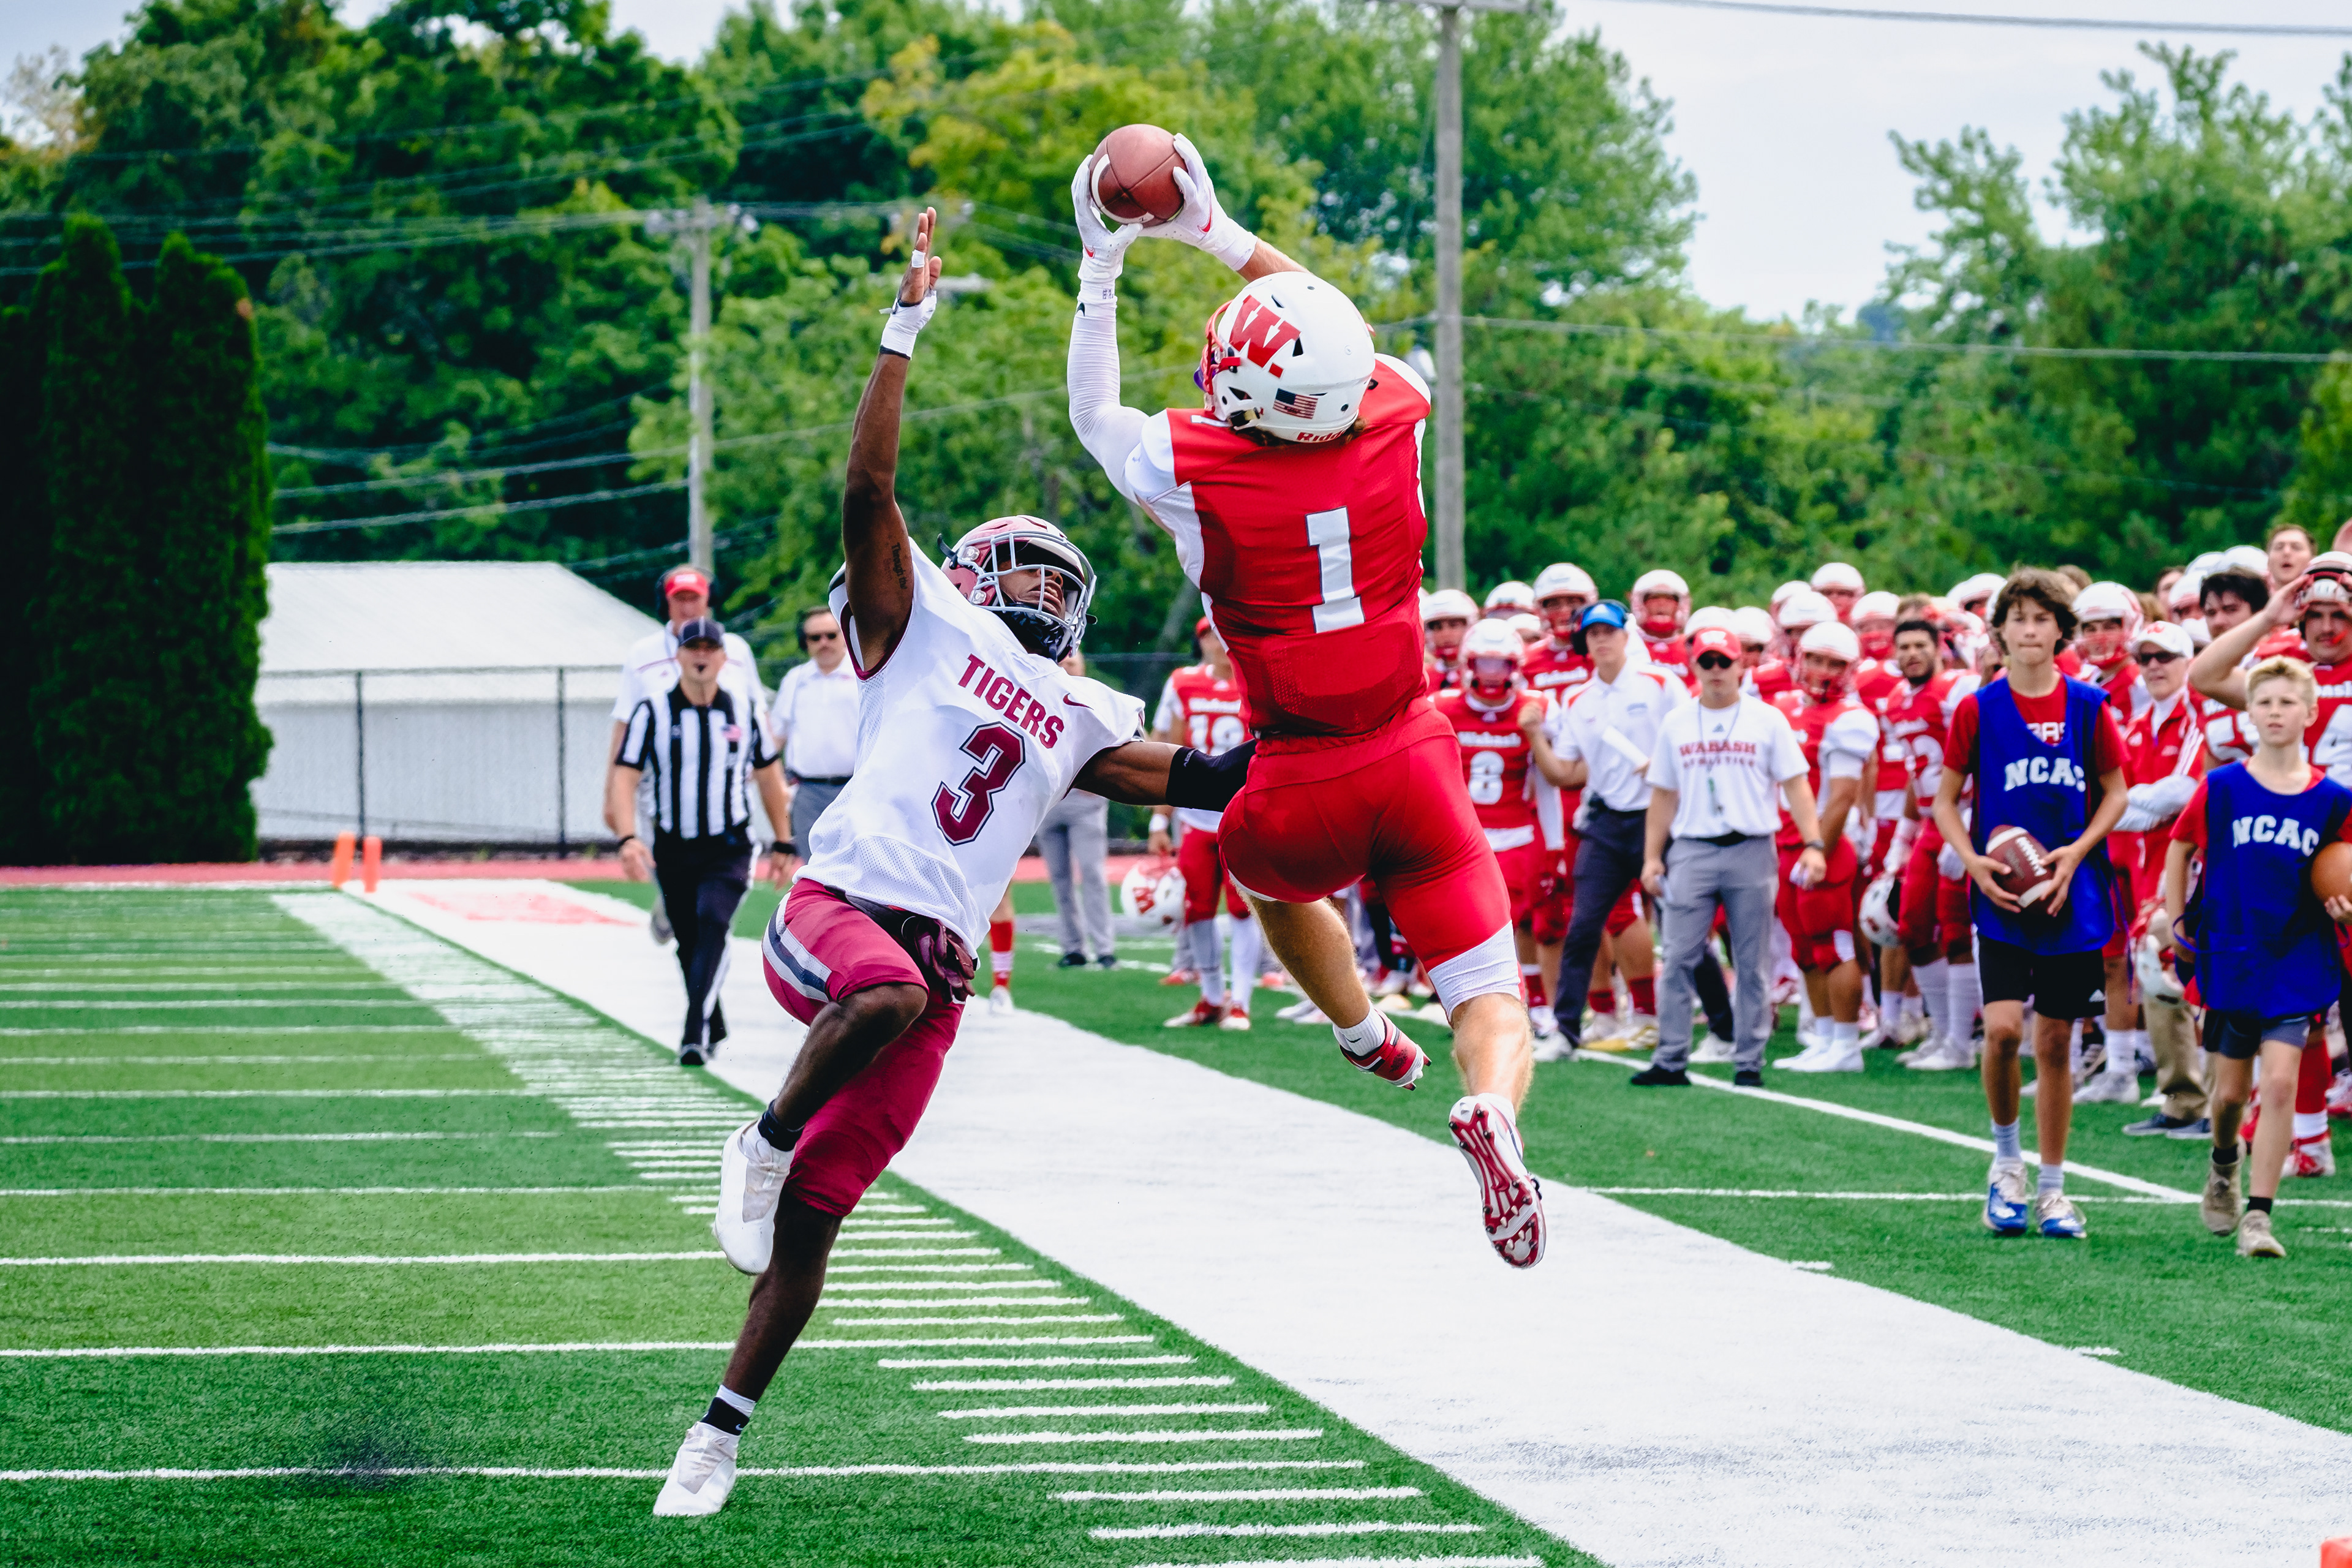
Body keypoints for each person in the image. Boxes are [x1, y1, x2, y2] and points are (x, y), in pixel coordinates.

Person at [657, 208, 1251, 1518]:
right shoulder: (920, 625)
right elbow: (868, 492)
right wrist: (903, 327)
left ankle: (718, 1432)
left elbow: (1212, 778)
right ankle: (753, 1137)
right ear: (974, 574)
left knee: (819, 1218)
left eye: (1055, 573)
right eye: (1015, 565)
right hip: (838, 912)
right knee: (880, 1008)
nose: (1033, 584)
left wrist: (1342, 712)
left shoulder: (1086, 713)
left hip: (935, 976)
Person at [1065, 137, 1545, 1267]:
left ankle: (1365, 1031)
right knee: (1493, 997)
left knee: (1259, 871)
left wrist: (1104, 264)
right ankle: (1492, 1108)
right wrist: (1221, 236)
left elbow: (1096, 414)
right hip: (1414, 747)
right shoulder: (1398, 411)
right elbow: (1330, 324)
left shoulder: (1194, 467)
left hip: (1297, 768)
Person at [1932, 569, 2130, 1240]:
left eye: (2042, 618)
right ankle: (2004, 1163)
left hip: (2071, 896)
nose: (2029, 630)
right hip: (2004, 897)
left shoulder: (2088, 706)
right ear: (1999, 631)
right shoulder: (1977, 708)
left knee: (2054, 1041)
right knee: (2006, 1030)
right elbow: (1943, 798)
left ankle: (2052, 1189)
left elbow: (2116, 793)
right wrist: (1972, 860)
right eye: (2017, 618)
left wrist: (2076, 854)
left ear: (2060, 630)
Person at [2165, 654, 2352, 1259]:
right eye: (2264, 701)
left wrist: (2345, 908)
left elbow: (2341, 873)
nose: (2275, 711)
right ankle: (2224, 1163)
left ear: (2311, 712)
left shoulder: (2333, 798)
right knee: (2227, 1095)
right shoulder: (2224, 785)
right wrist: (2174, 919)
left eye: (2287, 702)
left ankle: (2259, 1218)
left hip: (2297, 955)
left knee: (2279, 1083)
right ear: (2248, 712)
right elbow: (2180, 844)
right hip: (2232, 950)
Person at [2187, 555, 2352, 1179]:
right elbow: (2205, 674)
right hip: (2290, 857)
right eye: (2317, 613)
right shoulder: (2290, 673)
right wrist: (2269, 616)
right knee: (2296, 1007)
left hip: (2342, 851)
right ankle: (2309, 1137)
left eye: (2342, 614)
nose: (2327, 626)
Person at [1637, 625, 1829, 1087]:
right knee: (1680, 955)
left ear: (1742, 664)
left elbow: (1796, 785)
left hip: (1751, 847)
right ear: (1695, 667)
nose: (1718, 670)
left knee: (1751, 962)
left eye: (1726, 661)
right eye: (1709, 662)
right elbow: (1663, 794)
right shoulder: (1678, 721)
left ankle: (1749, 1060)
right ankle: (1670, 1058)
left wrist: (1814, 842)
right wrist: (1652, 857)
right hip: (1693, 847)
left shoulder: (1768, 719)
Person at [608, 617, 794, 1066]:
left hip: (728, 845)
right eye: (694, 646)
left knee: (713, 922)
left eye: (711, 647)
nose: (702, 654)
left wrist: (783, 842)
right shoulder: (652, 711)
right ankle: (715, 1020)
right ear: (679, 656)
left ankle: (693, 1033)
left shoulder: (744, 713)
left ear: (724, 658)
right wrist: (629, 836)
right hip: (673, 846)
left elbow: (770, 777)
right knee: (688, 941)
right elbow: (625, 776)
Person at [1536, 600, 1691, 1053]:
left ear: (1627, 635)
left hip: (1658, 816)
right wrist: (1531, 738)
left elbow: (1688, 739)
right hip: (1605, 820)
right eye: (1592, 633)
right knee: (1583, 924)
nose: (1601, 639)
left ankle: (1710, 1025)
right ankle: (1566, 1030)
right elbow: (1565, 772)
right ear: (1584, 641)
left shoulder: (1662, 683)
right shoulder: (1577, 698)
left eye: (1609, 631)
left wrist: (1663, 770)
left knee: (1682, 921)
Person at [611, 565, 766, 943]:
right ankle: (671, 904)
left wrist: (765, 772)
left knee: (718, 897)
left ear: (707, 599)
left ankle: (702, 927)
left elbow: (758, 715)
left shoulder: (736, 651)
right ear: (666, 602)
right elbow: (623, 726)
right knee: (669, 867)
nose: (687, 607)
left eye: (693, 598)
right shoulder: (643, 654)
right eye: (679, 599)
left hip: (726, 784)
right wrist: (611, 797)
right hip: (660, 787)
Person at [1433, 622, 1559, 1036]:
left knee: (1522, 923)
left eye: (1499, 663)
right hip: (1463, 837)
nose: (1491, 673)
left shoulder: (1536, 706)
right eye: (1483, 662)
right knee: (1465, 924)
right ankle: (1470, 1002)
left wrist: (1555, 844)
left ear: (1515, 665)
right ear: (1468, 664)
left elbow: (1547, 782)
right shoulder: (1444, 707)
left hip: (1518, 833)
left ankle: (1536, 1003)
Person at [2111, 620, 2209, 1133]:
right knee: (2153, 962)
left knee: (2183, 962)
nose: (2153, 666)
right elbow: (2123, 801)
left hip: (2197, 863)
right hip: (2152, 865)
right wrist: (2123, 808)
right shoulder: (2136, 723)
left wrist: (2115, 809)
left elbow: (2184, 792)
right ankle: (2182, 1098)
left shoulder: (2198, 713)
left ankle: (2212, 1099)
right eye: (2144, 658)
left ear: (2188, 659)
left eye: (2164, 657)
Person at [1770, 621, 1882, 1073]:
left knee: (1834, 946)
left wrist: (1818, 846)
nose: (1823, 671)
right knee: (1803, 948)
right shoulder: (1782, 707)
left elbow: (1842, 795)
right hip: (1786, 842)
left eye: (1835, 663)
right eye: (1815, 659)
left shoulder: (1851, 719)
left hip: (1824, 846)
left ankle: (1846, 1045)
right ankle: (1823, 1036)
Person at [1154, 619, 1262, 1030]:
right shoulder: (1182, 682)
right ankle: (1212, 998)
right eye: (1209, 635)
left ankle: (1242, 1002)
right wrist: (1158, 821)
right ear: (1200, 641)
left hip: (1242, 810)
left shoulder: (1257, 679)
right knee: (1197, 907)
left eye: (1224, 633)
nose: (1218, 642)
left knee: (1242, 907)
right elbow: (1168, 746)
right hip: (1195, 813)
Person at [767, 606, 860, 877]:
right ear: (804, 642)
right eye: (814, 638)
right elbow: (777, 736)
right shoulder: (796, 680)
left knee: (857, 872)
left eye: (831, 635)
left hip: (855, 789)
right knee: (816, 873)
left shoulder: (863, 675)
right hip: (807, 793)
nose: (824, 644)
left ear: (844, 636)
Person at [1630, 569, 1692, 685]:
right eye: (1653, 598)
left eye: (1669, 599)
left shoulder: (1692, 646)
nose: (1661, 604)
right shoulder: (1627, 643)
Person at [1422, 588, 1478, 694]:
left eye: (1454, 626)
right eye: (1437, 627)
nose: (1445, 634)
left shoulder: (1485, 677)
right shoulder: (1422, 678)